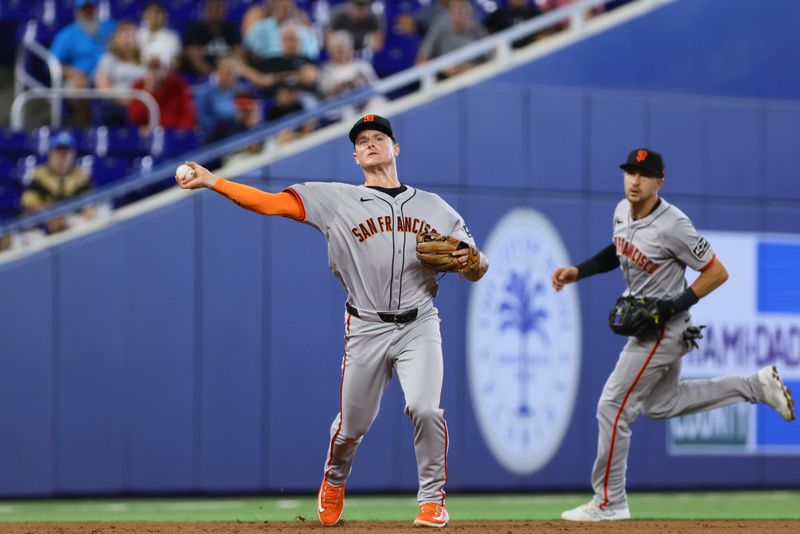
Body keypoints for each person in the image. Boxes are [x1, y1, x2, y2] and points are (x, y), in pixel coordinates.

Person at [176, 114, 489, 528]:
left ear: (396, 149)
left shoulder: (435, 207)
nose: (372, 143)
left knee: (424, 408)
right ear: (356, 156)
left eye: (380, 137)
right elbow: (269, 203)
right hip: (366, 326)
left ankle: (432, 501)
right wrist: (215, 181)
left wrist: (473, 262)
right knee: (352, 428)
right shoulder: (334, 199)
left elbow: (477, 267)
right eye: (363, 140)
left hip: (419, 323)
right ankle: (335, 479)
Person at [551, 148, 796, 522]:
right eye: (630, 172)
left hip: (664, 328)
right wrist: (578, 271)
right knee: (660, 405)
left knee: (612, 407)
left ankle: (609, 501)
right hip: (657, 325)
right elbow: (615, 251)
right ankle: (755, 386)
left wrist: (670, 307)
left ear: (659, 182)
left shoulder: (674, 224)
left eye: (644, 174)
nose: (635, 180)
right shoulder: (621, 210)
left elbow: (716, 272)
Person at [49, 0, 117, 126]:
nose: (88, 12)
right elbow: (53, 62)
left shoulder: (111, 27)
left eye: (91, 8)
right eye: (84, 9)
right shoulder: (68, 34)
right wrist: (72, 72)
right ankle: (86, 126)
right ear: (77, 11)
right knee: (75, 88)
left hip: (112, 73)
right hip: (83, 75)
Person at [20, 132, 94, 235]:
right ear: (51, 152)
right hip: (44, 225)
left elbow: (88, 203)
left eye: (66, 152)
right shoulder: (39, 174)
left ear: (73, 154)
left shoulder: (80, 175)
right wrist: (50, 214)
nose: (62, 156)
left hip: (73, 224)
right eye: (59, 151)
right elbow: (29, 203)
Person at [194, 56, 261, 142]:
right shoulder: (205, 93)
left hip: (241, 131)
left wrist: (252, 114)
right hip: (217, 136)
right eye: (228, 72)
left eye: (234, 73)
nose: (232, 77)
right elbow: (204, 122)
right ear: (219, 72)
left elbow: (251, 111)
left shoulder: (241, 88)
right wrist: (234, 117)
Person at [416, 0, 487, 79]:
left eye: (463, 6)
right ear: (449, 10)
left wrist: (472, 67)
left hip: (476, 72)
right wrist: (443, 70)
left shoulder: (474, 23)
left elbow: (490, 51)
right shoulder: (441, 23)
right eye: (456, 7)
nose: (460, 11)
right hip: (449, 74)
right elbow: (424, 55)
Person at [94, 20, 146, 126]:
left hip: (143, 105)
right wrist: (127, 101)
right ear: (116, 39)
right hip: (117, 106)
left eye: (131, 35)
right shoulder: (108, 59)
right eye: (124, 35)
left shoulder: (144, 61)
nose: (128, 39)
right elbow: (103, 88)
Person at [128, 53, 196, 131]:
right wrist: (148, 92)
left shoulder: (178, 85)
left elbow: (188, 116)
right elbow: (136, 118)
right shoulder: (139, 85)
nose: (157, 72)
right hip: (148, 135)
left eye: (159, 66)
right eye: (152, 67)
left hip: (173, 133)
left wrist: (179, 134)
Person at [182, 0, 242, 77]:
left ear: (225, 11)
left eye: (219, 7)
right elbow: (196, 61)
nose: (216, 11)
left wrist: (227, 73)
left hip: (227, 75)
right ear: (205, 10)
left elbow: (238, 55)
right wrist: (214, 75)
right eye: (212, 7)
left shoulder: (231, 30)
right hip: (201, 77)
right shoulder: (195, 30)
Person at [244, 0, 319, 60]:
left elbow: (312, 54)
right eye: (280, 4)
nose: (284, 8)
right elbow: (249, 48)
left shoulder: (302, 29)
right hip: (270, 65)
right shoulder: (262, 27)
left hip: (297, 65)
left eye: (287, 5)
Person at [137, 2, 182, 67]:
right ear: (144, 15)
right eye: (150, 12)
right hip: (140, 73)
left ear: (165, 16)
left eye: (158, 12)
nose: (154, 16)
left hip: (165, 74)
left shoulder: (173, 37)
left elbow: (177, 63)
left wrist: (159, 61)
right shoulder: (137, 33)